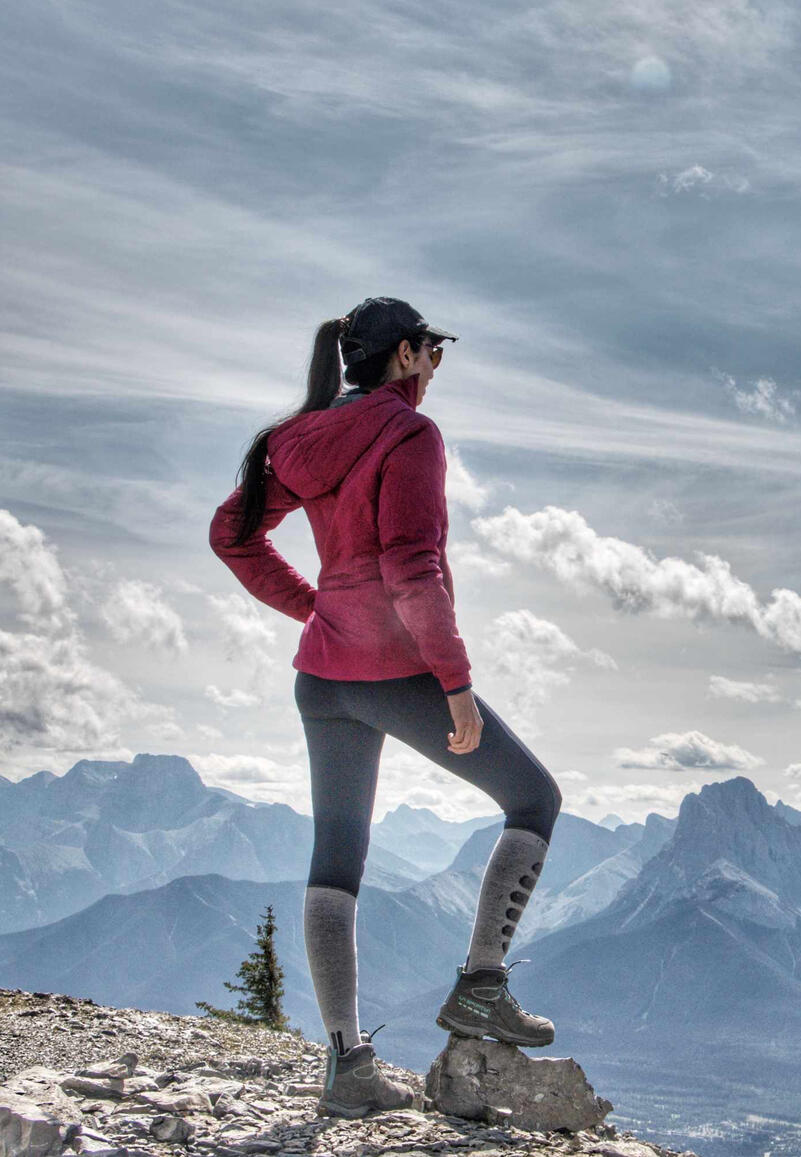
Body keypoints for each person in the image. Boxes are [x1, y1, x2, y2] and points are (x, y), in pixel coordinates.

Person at [209, 297, 562, 1119]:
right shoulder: (408, 435)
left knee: (338, 855)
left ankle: (346, 1063)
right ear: (405, 354)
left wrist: (314, 611)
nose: (437, 368)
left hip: (322, 679)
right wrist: (454, 679)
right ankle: (480, 984)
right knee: (533, 798)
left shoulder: (293, 439)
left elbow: (233, 534)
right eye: (433, 352)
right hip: (392, 672)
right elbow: (412, 564)